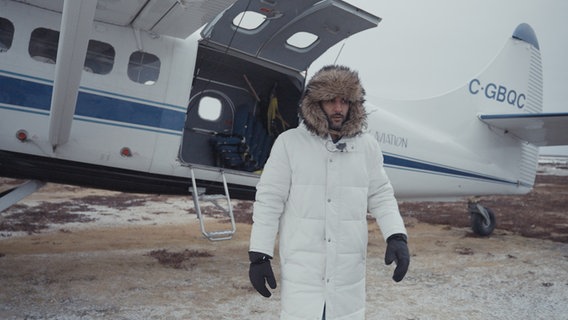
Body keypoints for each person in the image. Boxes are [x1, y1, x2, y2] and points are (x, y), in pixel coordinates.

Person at [248, 65, 410, 320]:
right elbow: (269, 201)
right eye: (330, 100)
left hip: (348, 275)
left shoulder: (367, 146)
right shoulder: (289, 144)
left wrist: (396, 235)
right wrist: (259, 254)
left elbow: (381, 194)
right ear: (315, 103)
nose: (338, 108)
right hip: (303, 273)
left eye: (344, 101)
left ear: (353, 104)